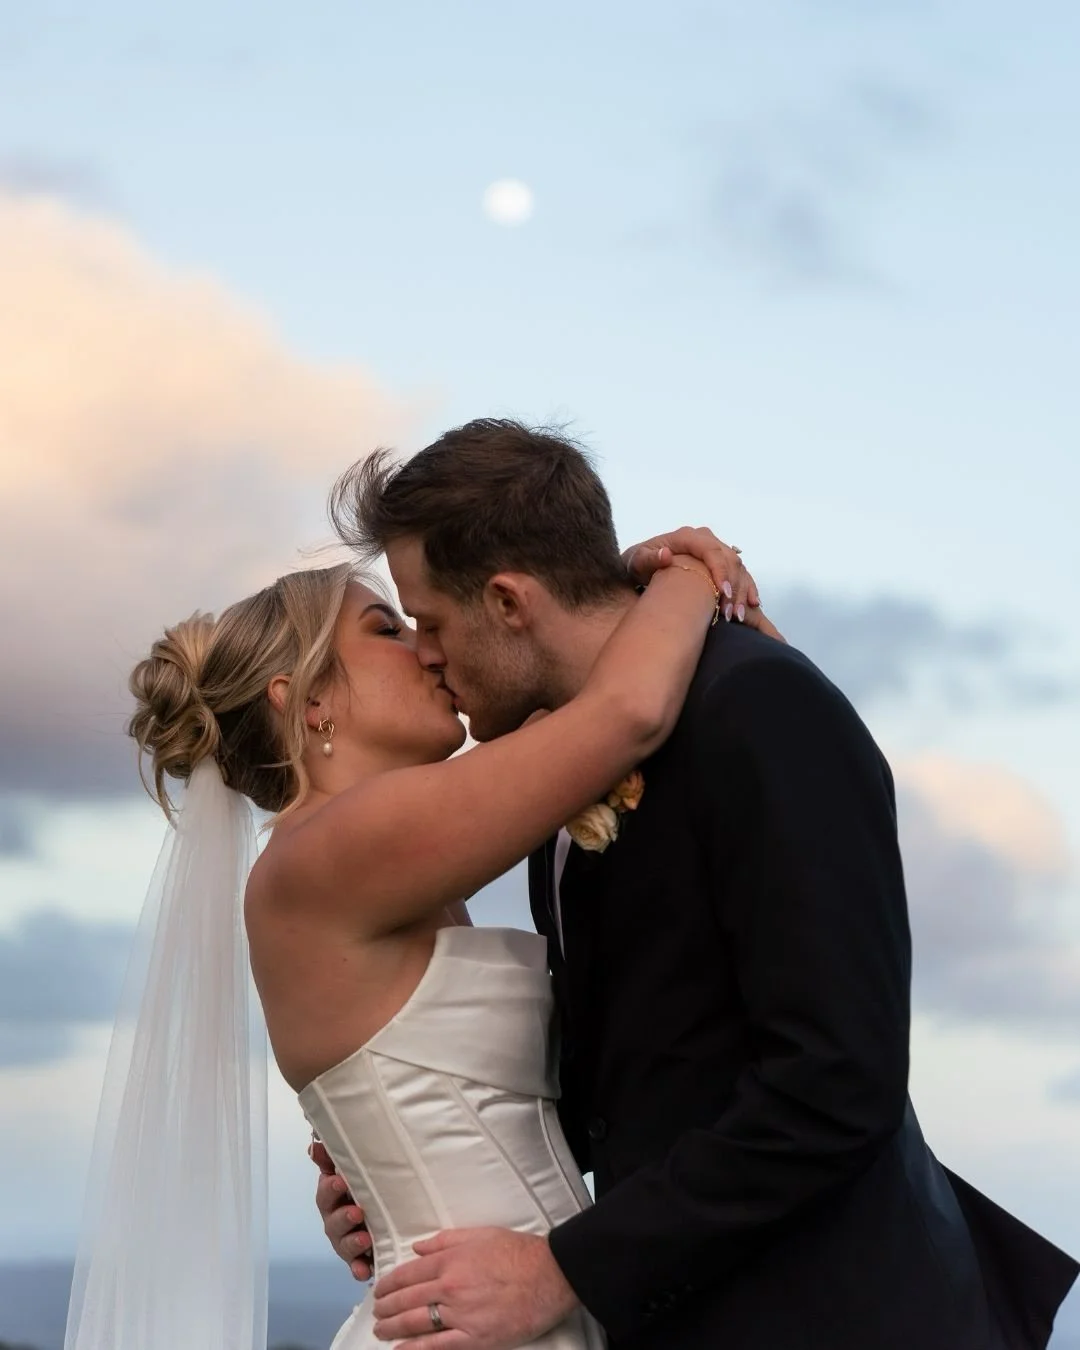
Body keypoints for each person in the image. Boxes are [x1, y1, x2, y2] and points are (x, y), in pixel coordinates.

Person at [314, 418, 1079, 1350]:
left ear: (510, 601)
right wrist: (399, 1161)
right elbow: (634, 1077)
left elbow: (837, 1081)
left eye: (430, 623)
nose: (427, 654)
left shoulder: (758, 705)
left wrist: (565, 1270)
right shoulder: (551, 771)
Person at [78, 511, 762, 1350]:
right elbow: (621, 712)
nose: (429, 649)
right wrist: (692, 570)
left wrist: (377, 1176)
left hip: (522, 1314)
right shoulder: (328, 854)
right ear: (308, 699)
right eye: (386, 629)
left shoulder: (377, 857)